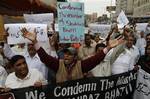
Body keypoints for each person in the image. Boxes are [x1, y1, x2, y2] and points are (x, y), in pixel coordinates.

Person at [21, 28, 124, 83]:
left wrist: (109, 47)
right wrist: (35, 42)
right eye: (65, 54)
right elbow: (45, 58)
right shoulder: (58, 64)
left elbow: (95, 60)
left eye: (69, 55)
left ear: (75, 57)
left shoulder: (81, 65)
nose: (66, 56)